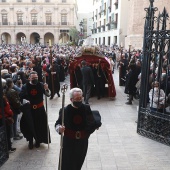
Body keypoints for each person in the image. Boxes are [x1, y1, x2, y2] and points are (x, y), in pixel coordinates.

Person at [55, 88, 97, 170]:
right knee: (68, 163)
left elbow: (91, 121)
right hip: (69, 141)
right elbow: (57, 123)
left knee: (78, 162)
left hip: (82, 141)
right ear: (71, 99)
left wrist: (93, 127)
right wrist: (59, 128)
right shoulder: (65, 110)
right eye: (77, 99)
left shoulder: (86, 108)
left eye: (80, 98)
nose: (79, 100)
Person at [20, 71, 51, 149]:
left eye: (36, 77)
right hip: (29, 110)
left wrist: (47, 89)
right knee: (29, 125)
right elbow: (21, 97)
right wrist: (25, 101)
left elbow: (48, 94)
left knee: (39, 125)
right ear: (29, 78)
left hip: (40, 109)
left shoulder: (41, 85)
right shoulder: (25, 86)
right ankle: (30, 141)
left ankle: (38, 140)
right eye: (33, 78)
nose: (35, 79)